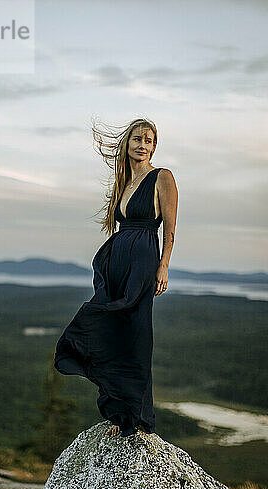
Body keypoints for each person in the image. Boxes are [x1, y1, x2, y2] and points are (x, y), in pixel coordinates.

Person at [54, 117, 178, 438]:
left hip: (143, 258)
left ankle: (138, 418)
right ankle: (119, 413)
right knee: (111, 327)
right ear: (128, 143)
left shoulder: (162, 177)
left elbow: (170, 229)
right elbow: (118, 224)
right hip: (118, 257)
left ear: (154, 146)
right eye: (137, 139)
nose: (143, 145)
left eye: (149, 141)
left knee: (136, 332)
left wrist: (163, 265)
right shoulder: (124, 182)